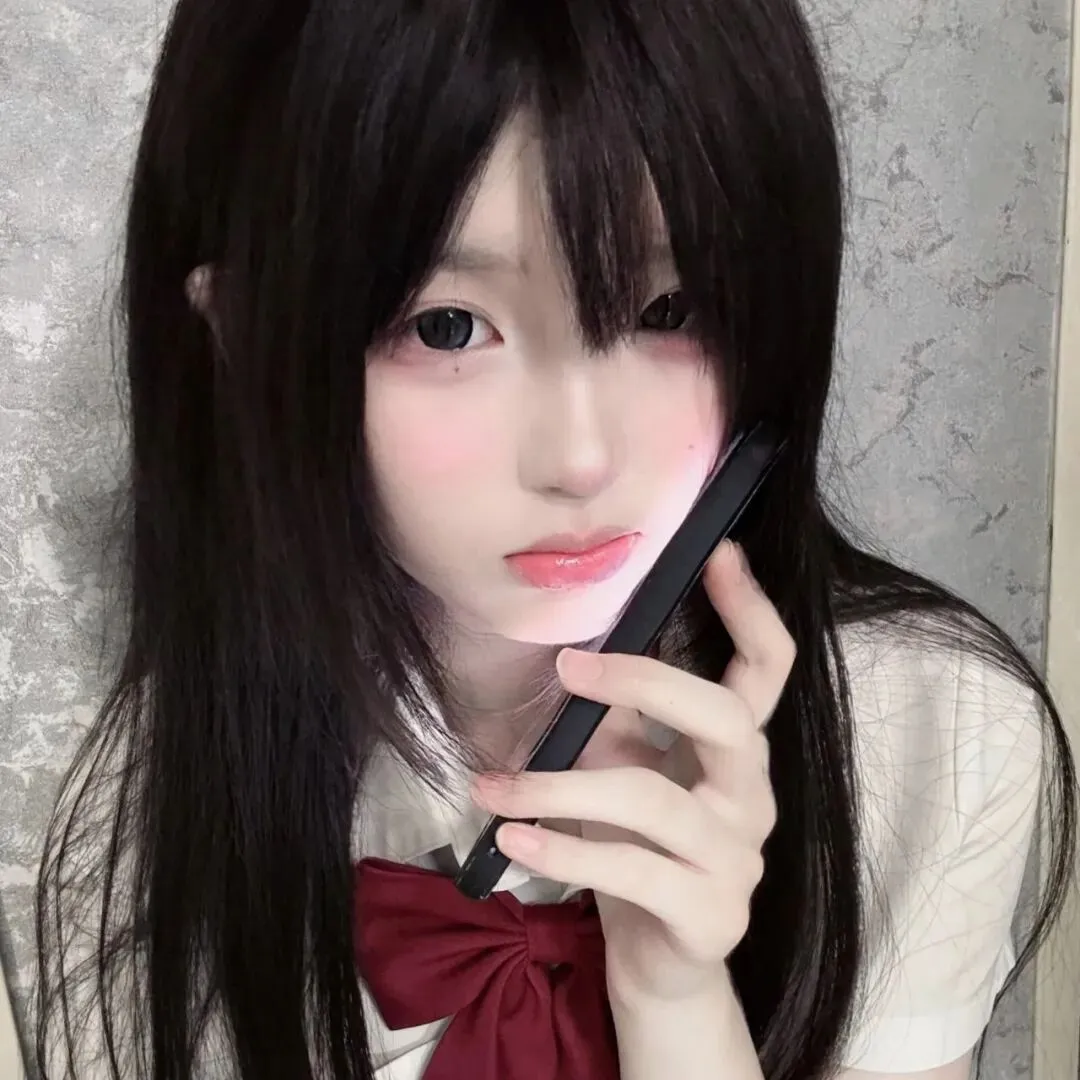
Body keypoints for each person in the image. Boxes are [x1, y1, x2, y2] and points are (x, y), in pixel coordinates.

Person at [33, 1, 1076, 1079]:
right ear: (244, 339)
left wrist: (676, 999)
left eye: (668, 310)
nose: (581, 457)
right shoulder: (151, 817)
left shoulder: (931, 735)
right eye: (446, 326)